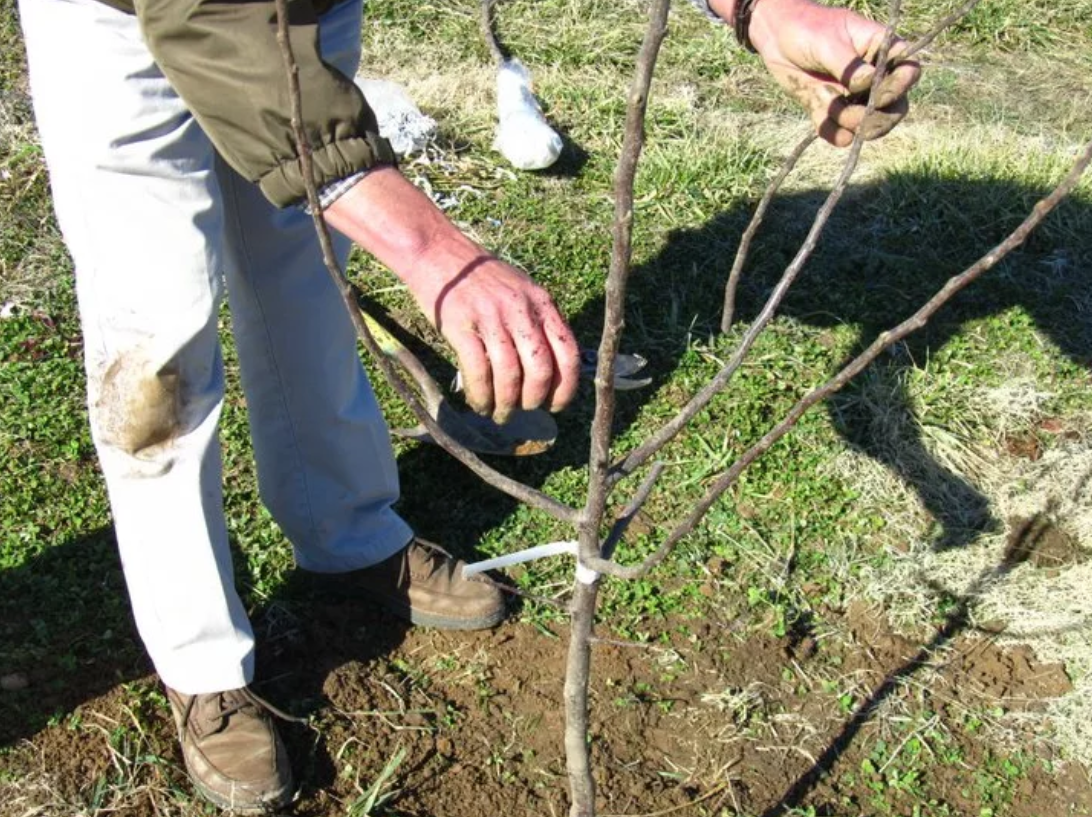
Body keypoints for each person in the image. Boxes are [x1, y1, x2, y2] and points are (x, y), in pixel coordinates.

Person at [16, 0, 920, 809]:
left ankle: (348, 536)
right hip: (129, 18)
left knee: (302, 270)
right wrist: (433, 248)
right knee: (156, 342)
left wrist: (757, 6)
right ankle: (201, 660)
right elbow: (205, 16)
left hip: (295, 11)